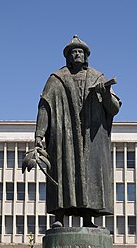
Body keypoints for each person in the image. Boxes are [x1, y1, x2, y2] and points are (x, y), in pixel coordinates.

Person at [35, 35, 121, 228]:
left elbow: (114, 108)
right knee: (62, 172)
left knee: (90, 176)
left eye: (80, 51)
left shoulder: (98, 77)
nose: (77, 54)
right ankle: (59, 216)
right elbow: (44, 107)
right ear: (67, 57)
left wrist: (104, 93)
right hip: (64, 135)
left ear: (86, 56)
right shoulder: (56, 79)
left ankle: (88, 218)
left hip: (90, 138)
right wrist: (39, 135)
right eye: (73, 51)